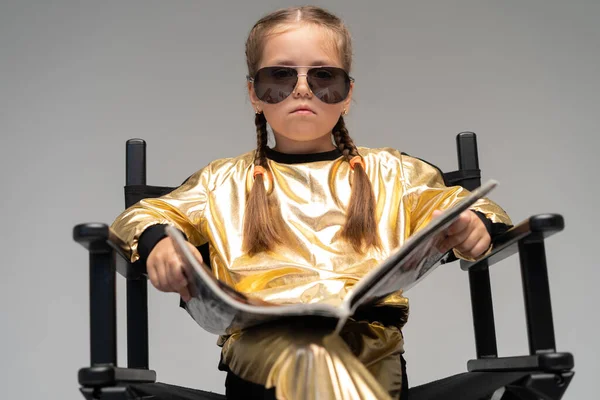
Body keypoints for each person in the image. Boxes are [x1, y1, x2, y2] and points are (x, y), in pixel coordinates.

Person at [111, 6, 512, 400]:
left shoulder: (392, 173)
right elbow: (144, 215)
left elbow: (467, 206)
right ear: (254, 93)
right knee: (299, 356)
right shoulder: (220, 181)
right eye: (280, 76)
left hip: (368, 348)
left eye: (323, 76)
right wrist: (160, 242)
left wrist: (473, 224)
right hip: (261, 352)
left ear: (347, 94)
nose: (302, 89)